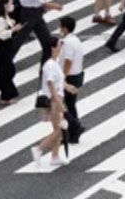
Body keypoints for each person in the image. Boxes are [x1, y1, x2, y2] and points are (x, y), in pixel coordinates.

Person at [30, 37, 77, 168]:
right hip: (54, 100)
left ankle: (55, 156)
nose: (60, 48)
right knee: (60, 129)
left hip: (57, 98)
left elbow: (58, 81)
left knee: (58, 128)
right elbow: (50, 83)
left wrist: (68, 87)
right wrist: (58, 102)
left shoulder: (54, 63)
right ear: (52, 48)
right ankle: (39, 148)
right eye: (58, 45)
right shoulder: (50, 65)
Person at [17, 0, 61, 65]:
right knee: (19, 39)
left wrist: (45, 6)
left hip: (36, 13)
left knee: (46, 39)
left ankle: (46, 62)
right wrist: (53, 6)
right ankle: (5, 58)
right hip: (28, 14)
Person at [59, 16, 85, 145]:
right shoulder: (76, 39)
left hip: (70, 76)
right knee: (70, 104)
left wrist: (63, 77)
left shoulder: (68, 43)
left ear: (64, 28)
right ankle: (73, 134)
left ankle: (75, 126)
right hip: (78, 74)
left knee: (61, 106)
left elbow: (68, 60)